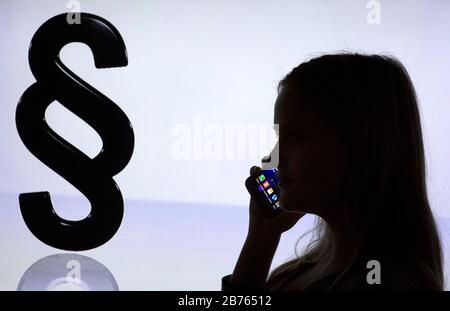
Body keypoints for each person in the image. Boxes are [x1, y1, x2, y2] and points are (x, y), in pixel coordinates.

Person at [222, 53, 444, 291]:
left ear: (359, 147)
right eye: (279, 138)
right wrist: (263, 236)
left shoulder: (386, 284)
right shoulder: (310, 268)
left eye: (294, 137)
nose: (272, 158)